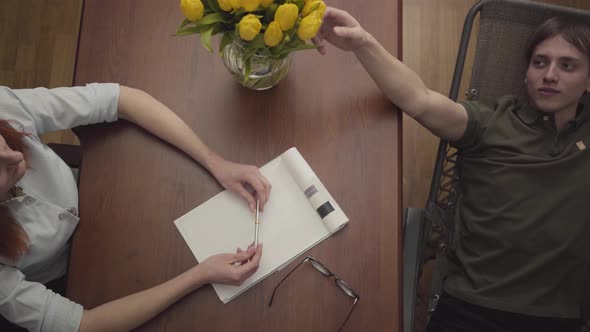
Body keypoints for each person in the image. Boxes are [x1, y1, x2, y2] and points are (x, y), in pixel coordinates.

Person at [315, 6, 590, 332]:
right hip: (472, 309)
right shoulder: (493, 121)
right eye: (539, 62)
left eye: (568, 65)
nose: (549, 75)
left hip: (557, 319)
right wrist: (363, 42)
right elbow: (419, 100)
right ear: (526, 72)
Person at [0, 83, 271, 331]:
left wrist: (216, 162)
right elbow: (86, 325)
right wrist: (201, 275)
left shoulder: (4, 106)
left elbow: (120, 99)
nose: (13, 156)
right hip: (72, 277)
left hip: (101, 195)